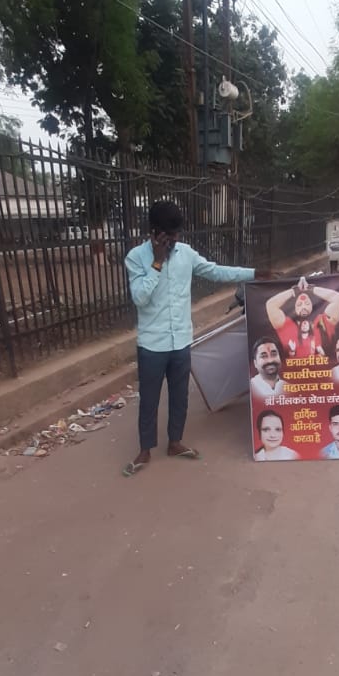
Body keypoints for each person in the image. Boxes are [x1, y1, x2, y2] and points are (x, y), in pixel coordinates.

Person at [124, 200, 265, 475]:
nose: (175, 239)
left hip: (181, 341)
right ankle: (145, 449)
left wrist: (254, 274)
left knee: (180, 396)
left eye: (177, 234)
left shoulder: (185, 253)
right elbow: (140, 298)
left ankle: (175, 442)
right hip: (152, 344)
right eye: (169, 234)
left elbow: (215, 271)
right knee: (149, 399)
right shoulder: (135, 257)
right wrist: (156, 263)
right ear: (154, 232)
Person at [266, 276, 339, 358]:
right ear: (294, 309)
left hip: (322, 370)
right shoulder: (287, 325)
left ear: (313, 306)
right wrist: (294, 291)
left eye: (307, 303)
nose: (303, 307)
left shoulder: (322, 321)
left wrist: (311, 288)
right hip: (293, 370)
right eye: (299, 305)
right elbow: (271, 305)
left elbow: (338, 298)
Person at [250, 337, 286, 402]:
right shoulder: (251, 388)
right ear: (255, 363)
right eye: (264, 356)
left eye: (274, 354)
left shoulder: (289, 387)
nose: (270, 360)